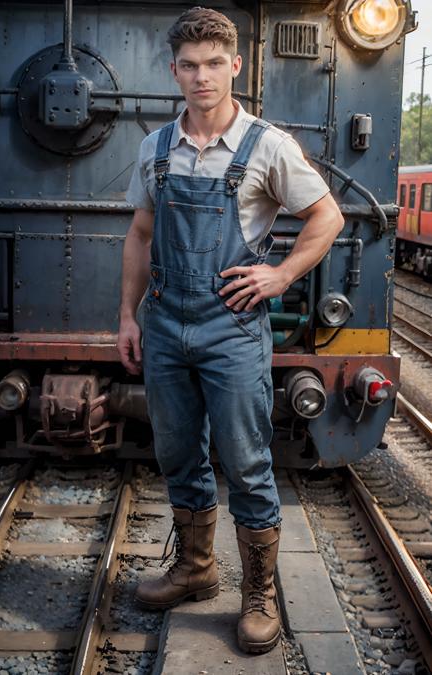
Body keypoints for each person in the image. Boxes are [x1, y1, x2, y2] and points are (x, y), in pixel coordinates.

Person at [118, 6, 344, 655]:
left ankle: (259, 595)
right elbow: (139, 235)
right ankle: (195, 568)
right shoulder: (155, 148)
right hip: (164, 328)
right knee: (177, 453)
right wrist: (126, 317)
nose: (202, 76)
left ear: (236, 66)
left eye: (214, 63)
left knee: (246, 463)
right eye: (189, 65)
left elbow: (325, 216)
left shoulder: (266, 146)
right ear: (174, 71)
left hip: (231, 330)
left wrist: (279, 276)